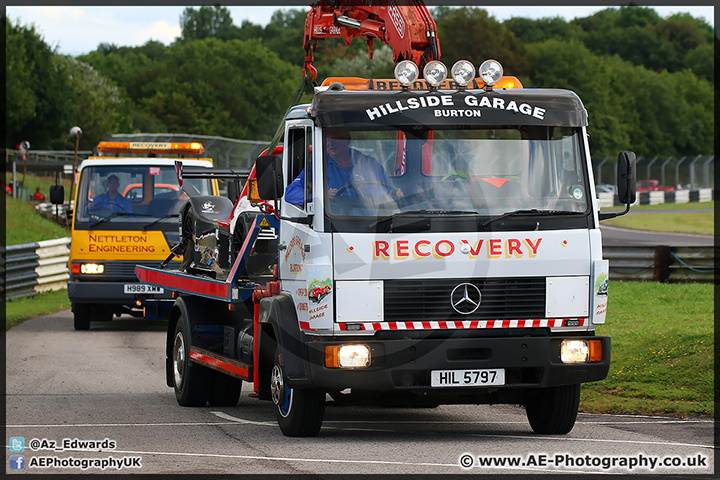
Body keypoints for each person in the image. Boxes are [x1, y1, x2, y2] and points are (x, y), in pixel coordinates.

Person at [285, 131, 402, 206]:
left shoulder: (369, 163)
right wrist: (322, 197)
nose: (330, 144)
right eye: (327, 140)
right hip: (333, 225)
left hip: (372, 222)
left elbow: (389, 190)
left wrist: (397, 194)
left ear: (347, 140)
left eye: (336, 139)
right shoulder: (317, 165)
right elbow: (291, 194)